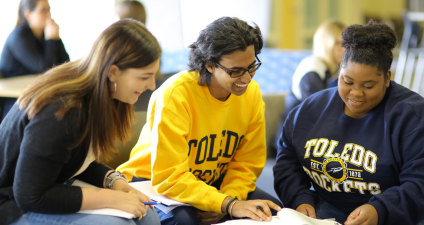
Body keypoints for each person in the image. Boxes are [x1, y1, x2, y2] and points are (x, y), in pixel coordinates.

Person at [273, 20, 424, 225]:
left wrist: (380, 210)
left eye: (368, 85)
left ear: (387, 78)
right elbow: (287, 159)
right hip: (333, 205)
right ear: (339, 72)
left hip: (409, 209)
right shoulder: (310, 110)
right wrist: (299, 198)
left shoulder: (419, 120)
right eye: (347, 82)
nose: (356, 93)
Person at [117, 16, 282, 225]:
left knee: (274, 212)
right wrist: (227, 204)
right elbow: (170, 177)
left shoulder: (252, 94)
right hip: (153, 184)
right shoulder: (176, 95)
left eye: (251, 67)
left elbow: (247, 163)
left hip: (211, 184)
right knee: (185, 223)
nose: (247, 79)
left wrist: (229, 198)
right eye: (235, 71)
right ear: (210, 65)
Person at [0, 19, 162, 225]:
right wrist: (111, 198)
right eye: (144, 77)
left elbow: (75, 159)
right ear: (112, 72)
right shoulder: (64, 110)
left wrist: (114, 181)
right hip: (12, 203)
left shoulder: (103, 95)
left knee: (148, 216)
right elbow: (31, 195)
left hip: (54, 183)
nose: (151, 85)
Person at [270, 19, 346, 153]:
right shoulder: (312, 70)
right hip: (289, 145)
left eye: (346, 44)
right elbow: (319, 114)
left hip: (306, 139)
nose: (343, 49)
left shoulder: (329, 71)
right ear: (325, 44)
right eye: (337, 43)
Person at [0, 0, 70, 120]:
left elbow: (65, 65)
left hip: (34, 93)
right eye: (43, 10)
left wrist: (56, 39)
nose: (49, 15)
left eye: (49, 10)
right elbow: (44, 69)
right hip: (14, 100)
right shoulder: (18, 37)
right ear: (28, 15)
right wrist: (51, 40)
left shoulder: (44, 34)